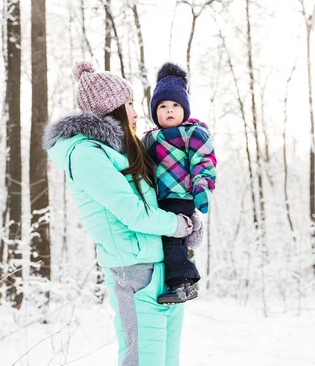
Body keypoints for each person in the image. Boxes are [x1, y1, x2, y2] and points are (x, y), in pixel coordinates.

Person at [44, 61, 199, 366]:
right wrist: (177, 226)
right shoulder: (86, 153)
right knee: (143, 359)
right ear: (112, 107)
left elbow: (159, 197)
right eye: (129, 103)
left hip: (161, 263)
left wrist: (191, 221)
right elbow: (132, 213)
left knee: (167, 359)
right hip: (134, 268)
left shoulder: (125, 149)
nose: (136, 111)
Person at [142, 62, 217, 305]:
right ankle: (169, 280)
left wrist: (202, 188)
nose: (169, 110)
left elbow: (203, 161)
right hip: (158, 198)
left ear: (185, 109)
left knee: (172, 238)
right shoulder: (150, 138)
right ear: (155, 112)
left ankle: (184, 284)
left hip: (180, 196)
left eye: (175, 105)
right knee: (163, 240)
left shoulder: (193, 133)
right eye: (163, 106)